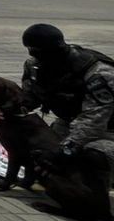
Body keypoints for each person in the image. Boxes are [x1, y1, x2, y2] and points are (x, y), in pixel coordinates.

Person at [12, 23, 114, 173]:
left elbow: (94, 119)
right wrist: (9, 106)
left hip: (107, 131)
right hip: (68, 124)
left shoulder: (97, 72)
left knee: (93, 157)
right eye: (30, 49)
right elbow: (31, 97)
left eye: (37, 50)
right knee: (37, 151)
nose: (32, 54)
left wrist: (68, 148)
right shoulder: (35, 66)